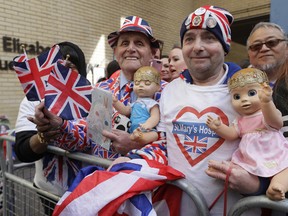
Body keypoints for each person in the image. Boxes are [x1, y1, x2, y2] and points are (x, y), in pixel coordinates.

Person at [111, 5, 263, 215]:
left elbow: (274, 149)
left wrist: (258, 185)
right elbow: (163, 140)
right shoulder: (170, 91)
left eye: (209, 37)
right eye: (189, 38)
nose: (197, 47)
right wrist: (135, 160)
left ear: (224, 45)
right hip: (177, 208)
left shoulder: (249, 93)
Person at [30, 16, 167, 158]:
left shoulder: (166, 93)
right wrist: (60, 125)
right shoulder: (101, 89)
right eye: (124, 43)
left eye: (139, 43)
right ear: (116, 52)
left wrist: (136, 146)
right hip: (101, 175)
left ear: (152, 53)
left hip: (145, 178)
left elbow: (176, 145)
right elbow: (87, 139)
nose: (130, 48)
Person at [14, 41, 88, 215]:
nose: (63, 72)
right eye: (57, 67)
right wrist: (43, 136)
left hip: (87, 192)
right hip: (50, 192)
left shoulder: (91, 99)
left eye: (70, 66)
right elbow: (23, 150)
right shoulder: (32, 101)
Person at [206, 68, 288, 201]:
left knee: (286, 169)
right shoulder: (240, 120)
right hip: (251, 158)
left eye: (251, 93)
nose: (244, 100)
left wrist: (266, 102)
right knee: (243, 173)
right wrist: (219, 127)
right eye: (237, 97)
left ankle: (277, 186)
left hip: (275, 152)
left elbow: (276, 122)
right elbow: (232, 134)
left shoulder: (265, 113)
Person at [247, 22, 288, 139]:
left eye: (272, 43)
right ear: (249, 54)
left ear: (286, 48)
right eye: (256, 46)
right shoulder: (237, 84)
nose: (264, 49)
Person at [113, 66, 160, 145]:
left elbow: (155, 116)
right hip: (133, 129)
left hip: (146, 129)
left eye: (147, 83)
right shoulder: (135, 103)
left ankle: (141, 137)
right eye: (137, 83)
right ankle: (135, 136)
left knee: (154, 135)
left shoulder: (152, 104)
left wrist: (148, 124)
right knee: (129, 135)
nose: (140, 86)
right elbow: (125, 110)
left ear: (158, 87)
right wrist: (115, 102)